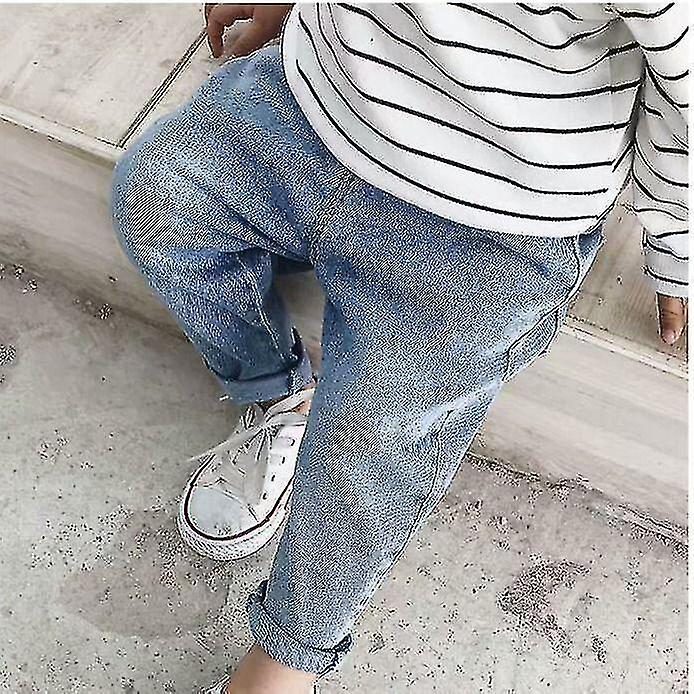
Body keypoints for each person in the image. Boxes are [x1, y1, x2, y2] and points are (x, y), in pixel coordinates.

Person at [111, 3, 688, 692]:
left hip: (495, 212)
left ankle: (290, 655)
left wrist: (675, 239)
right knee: (155, 198)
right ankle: (279, 392)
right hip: (326, 93)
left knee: (377, 444)